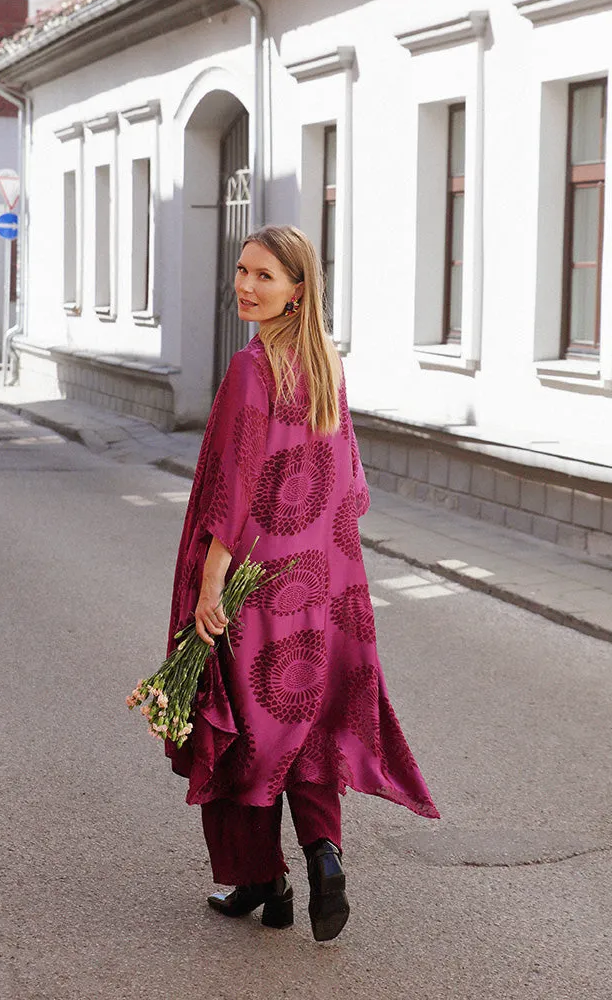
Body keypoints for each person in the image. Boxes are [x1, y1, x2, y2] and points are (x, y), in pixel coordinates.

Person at [165, 225, 438, 941]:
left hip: (252, 577)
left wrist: (212, 581)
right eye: (241, 271)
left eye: (263, 275)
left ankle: (262, 879)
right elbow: (351, 487)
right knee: (305, 720)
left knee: (245, 728)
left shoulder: (253, 370)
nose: (245, 286)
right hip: (319, 579)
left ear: (297, 290)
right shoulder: (328, 367)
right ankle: (323, 854)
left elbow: (235, 482)